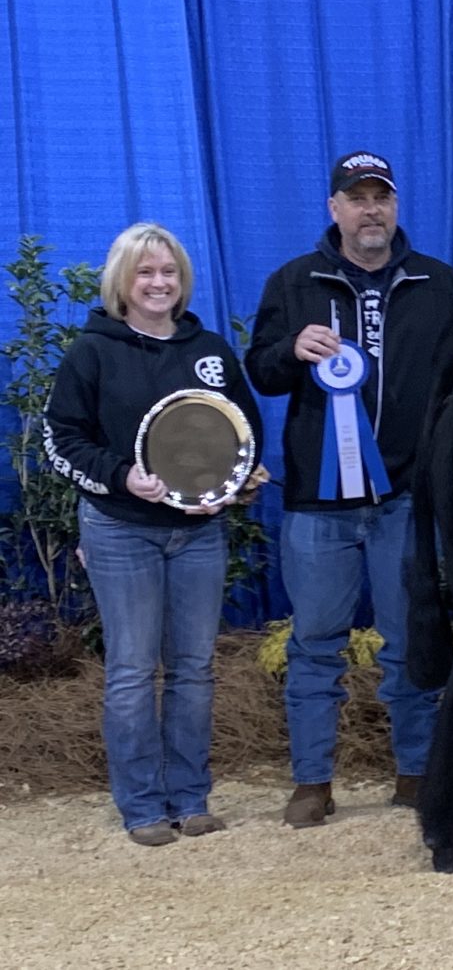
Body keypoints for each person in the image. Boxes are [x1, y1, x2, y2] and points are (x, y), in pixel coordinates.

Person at [245, 150, 453, 826]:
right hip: (318, 503)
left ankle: (416, 771)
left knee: (411, 641)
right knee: (316, 641)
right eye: (357, 196)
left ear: (395, 207)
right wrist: (291, 350)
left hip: (407, 497)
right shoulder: (294, 283)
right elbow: (260, 371)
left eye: (382, 197)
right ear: (334, 208)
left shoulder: (439, 284)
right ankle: (312, 781)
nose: (371, 208)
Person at [44, 222, 265, 845]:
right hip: (122, 531)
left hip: (199, 534)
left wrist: (239, 481)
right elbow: (60, 441)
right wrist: (120, 478)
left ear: (182, 279)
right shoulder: (93, 351)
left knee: (194, 669)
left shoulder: (212, 351)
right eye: (145, 272)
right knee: (133, 671)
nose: (158, 282)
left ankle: (191, 797)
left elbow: (241, 431)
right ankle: (142, 805)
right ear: (123, 280)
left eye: (168, 271)